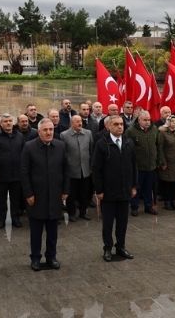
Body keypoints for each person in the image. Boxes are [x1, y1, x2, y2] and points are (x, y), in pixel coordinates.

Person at [21, 119, 69, 271]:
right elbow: (24, 172)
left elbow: (66, 170)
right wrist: (28, 193)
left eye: (51, 130)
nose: (49, 132)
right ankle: (35, 258)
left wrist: (65, 190)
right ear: (39, 131)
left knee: (53, 231)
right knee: (36, 231)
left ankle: (51, 257)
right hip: (37, 196)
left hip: (55, 196)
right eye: (45, 130)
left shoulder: (60, 146)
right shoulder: (29, 147)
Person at [92, 115, 137, 262]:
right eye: (116, 124)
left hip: (125, 190)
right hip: (108, 192)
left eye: (121, 124)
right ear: (109, 126)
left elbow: (134, 166)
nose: (119, 127)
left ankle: (121, 246)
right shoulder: (102, 144)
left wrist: (134, 186)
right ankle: (107, 248)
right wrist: (99, 190)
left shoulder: (128, 143)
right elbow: (96, 169)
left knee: (123, 222)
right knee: (108, 223)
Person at [0, 114, 25, 229]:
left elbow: (24, 155)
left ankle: (15, 218)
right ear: (1, 123)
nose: (8, 123)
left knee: (15, 199)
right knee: (0, 200)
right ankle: (1, 219)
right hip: (1, 175)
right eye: (5, 121)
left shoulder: (19, 136)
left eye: (10, 121)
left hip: (17, 174)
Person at [125, 110, 161, 216]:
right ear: (139, 120)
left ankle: (148, 206)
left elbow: (157, 145)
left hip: (151, 165)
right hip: (137, 166)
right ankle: (134, 207)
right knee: (136, 187)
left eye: (149, 120)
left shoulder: (154, 129)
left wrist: (158, 160)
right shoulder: (131, 131)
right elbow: (127, 149)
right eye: (145, 120)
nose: (147, 122)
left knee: (148, 187)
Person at [61, 115, 93, 221]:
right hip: (71, 171)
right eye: (77, 122)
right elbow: (63, 153)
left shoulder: (88, 133)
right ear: (71, 123)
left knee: (84, 193)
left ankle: (83, 212)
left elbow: (91, 150)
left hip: (85, 170)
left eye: (80, 121)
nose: (80, 123)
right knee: (71, 194)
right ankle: (72, 213)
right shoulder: (64, 135)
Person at [157, 115, 175, 210]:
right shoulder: (163, 133)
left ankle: (174, 200)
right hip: (168, 163)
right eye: (172, 121)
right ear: (168, 122)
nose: (174, 123)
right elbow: (160, 149)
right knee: (168, 183)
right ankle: (167, 201)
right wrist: (163, 162)